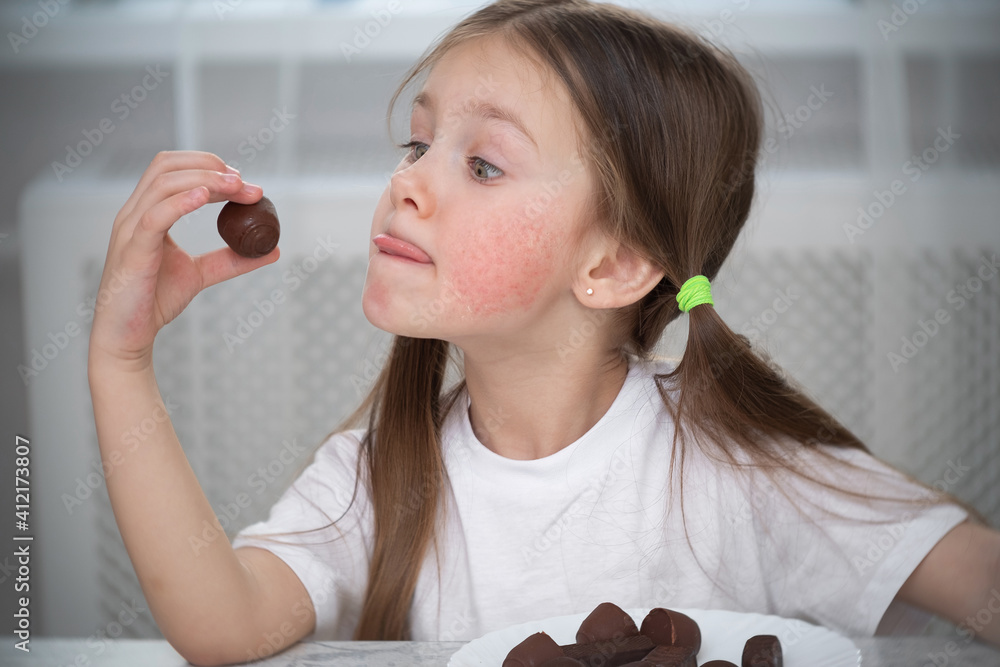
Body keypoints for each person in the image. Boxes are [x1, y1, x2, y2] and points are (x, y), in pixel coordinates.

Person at [87, 0, 1000, 664]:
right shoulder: (377, 478)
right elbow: (221, 624)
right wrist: (121, 359)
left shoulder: (742, 465)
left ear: (611, 265)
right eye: (417, 144)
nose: (408, 182)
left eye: (482, 163)